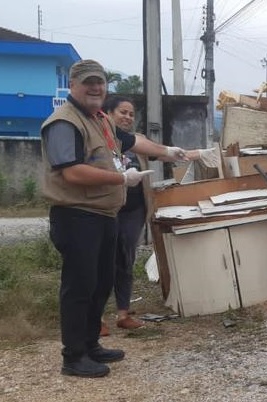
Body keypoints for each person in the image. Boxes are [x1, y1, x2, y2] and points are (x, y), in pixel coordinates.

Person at [41, 59, 188, 377]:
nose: (95, 88)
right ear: (73, 85)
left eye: (100, 83)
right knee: (79, 287)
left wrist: (168, 151)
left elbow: (131, 141)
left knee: (100, 283)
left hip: (104, 215)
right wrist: (121, 180)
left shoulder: (99, 120)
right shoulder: (64, 122)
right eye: (88, 82)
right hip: (77, 216)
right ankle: (73, 356)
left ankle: (91, 344)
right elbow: (71, 171)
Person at [100, 95, 204, 333]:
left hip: (134, 211)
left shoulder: (138, 141)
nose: (127, 117)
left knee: (125, 260)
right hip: (105, 210)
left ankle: (123, 313)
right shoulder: (100, 139)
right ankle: (95, 318)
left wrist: (201, 153)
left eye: (131, 114)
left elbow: (165, 154)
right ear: (108, 113)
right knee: (102, 262)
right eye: (122, 112)